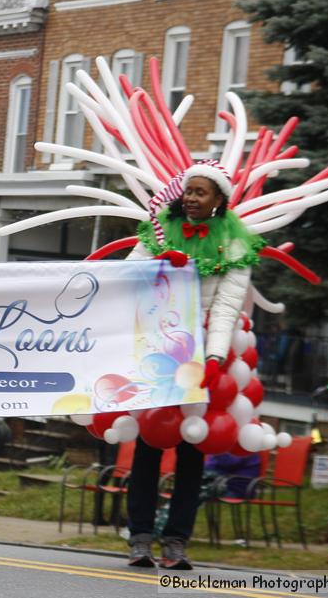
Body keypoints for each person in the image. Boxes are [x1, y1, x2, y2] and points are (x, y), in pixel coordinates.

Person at [125, 162, 262, 570]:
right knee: (149, 446)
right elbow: (125, 278)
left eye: (201, 192)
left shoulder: (235, 246)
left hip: (206, 355)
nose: (191, 198)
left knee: (192, 448)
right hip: (160, 350)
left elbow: (225, 308)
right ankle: (140, 538)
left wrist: (215, 357)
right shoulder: (159, 232)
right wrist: (155, 267)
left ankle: (177, 541)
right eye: (188, 191)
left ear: (219, 199)